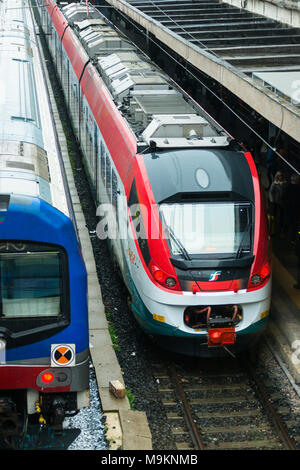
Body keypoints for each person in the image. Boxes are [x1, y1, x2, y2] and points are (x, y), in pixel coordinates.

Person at [282, 173, 300, 242]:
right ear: (296, 180)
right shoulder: (298, 188)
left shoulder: (287, 187)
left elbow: (283, 197)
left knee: (287, 222)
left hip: (288, 209)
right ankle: (293, 239)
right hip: (296, 210)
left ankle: (284, 234)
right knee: (295, 225)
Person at [268, 171, 287, 236]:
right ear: (277, 176)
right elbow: (270, 192)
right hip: (275, 202)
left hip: (282, 202)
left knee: (281, 216)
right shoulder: (274, 183)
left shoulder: (284, 183)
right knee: (274, 216)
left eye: (281, 175)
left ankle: (280, 230)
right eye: (279, 176)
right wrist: (272, 200)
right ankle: (272, 230)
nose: (280, 177)